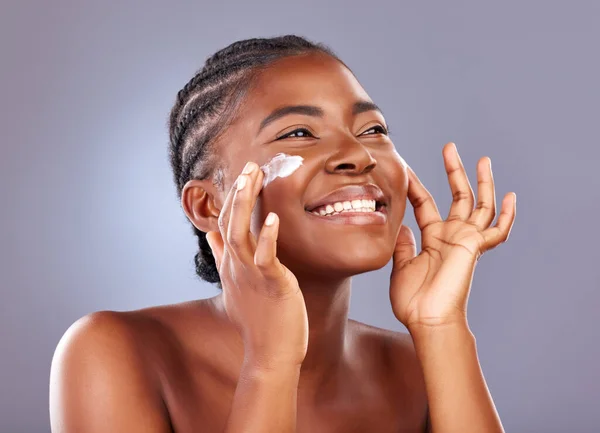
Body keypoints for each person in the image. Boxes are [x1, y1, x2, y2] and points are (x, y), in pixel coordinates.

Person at [49, 35, 516, 432]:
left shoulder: (417, 367)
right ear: (208, 205)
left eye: (372, 128)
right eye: (298, 133)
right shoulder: (112, 353)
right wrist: (270, 362)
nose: (357, 154)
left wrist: (441, 326)